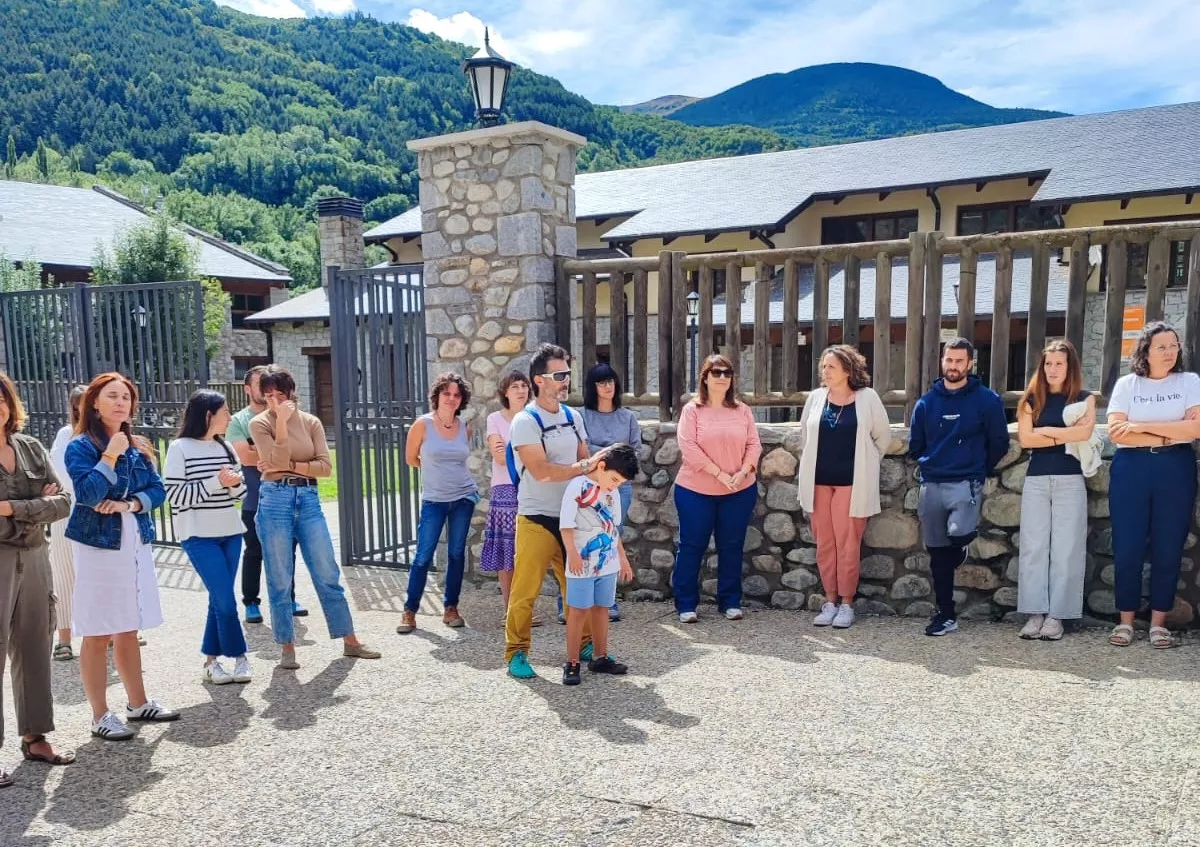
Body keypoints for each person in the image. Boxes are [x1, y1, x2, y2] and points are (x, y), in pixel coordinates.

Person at [65, 372, 179, 740]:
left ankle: (138, 702)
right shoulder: (80, 446)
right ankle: (100, 715)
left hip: (133, 540)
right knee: (98, 629)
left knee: (128, 626)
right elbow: (87, 492)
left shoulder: (139, 446)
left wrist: (129, 503)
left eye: (126, 397)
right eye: (112, 396)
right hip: (98, 546)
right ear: (94, 404)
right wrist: (110, 454)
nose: (120, 403)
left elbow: (157, 491)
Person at [249, 365, 380, 668]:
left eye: (279, 395)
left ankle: (350, 640)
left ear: (291, 394)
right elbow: (274, 462)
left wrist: (288, 466)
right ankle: (287, 646)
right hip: (275, 501)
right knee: (280, 577)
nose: (273, 402)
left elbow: (325, 467)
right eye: (267, 396)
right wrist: (280, 425)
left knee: (326, 571)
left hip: (308, 499)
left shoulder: (311, 422)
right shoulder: (259, 424)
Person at [505, 343, 607, 680]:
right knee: (525, 591)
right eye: (559, 375)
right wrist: (583, 466)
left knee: (579, 588)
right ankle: (516, 653)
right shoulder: (524, 421)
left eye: (567, 373)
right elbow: (542, 471)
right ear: (539, 380)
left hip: (572, 518)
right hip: (536, 517)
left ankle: (587, 645)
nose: (566, 380)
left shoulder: (573, 417)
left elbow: (587, 464)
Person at [0, 372, 75, 786]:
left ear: (11, 405)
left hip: (35, 554)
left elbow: (62, 501)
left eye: (2, 400)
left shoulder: (29, 446)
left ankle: (35, 736)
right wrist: (35, 503)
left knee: (34, 642)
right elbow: (45, 501)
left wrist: (11, 507)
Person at [1106, 321, 1200, 649]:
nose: (1170, 352)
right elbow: (1116, 430)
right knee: (1128, 545)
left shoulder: (1189, 382)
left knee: (1169, 544)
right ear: (1145, 351)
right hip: (1132, 467)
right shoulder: (1127, 384)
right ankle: (1126, 622)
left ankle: (1159, 624)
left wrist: (1142, 427)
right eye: (1161, 346)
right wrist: (1170, 429)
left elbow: (1195, 429)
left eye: (1174, 345)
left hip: (1175, 466)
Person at [909, 339, 1009, 637]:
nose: (953, 366)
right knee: (937, 553)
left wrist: (977, 471)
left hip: (966, 482)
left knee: (960, 535)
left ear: (970, 364)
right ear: (943, 362)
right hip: (932, 482)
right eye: (949, 361)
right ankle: (946, 614)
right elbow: (916, 445)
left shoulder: (986, 400)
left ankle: (962, 547)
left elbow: (999, 442)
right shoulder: (926, 403)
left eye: (959, 361)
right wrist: (931, 464)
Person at [795, 345, 892, 629]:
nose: (825, 372)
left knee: (848, 544)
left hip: (852, 485)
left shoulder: (867, 398)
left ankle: (847, 603)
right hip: (819, 484)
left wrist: (866, 463)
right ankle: (829, 601)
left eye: (831, 367)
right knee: (825, 544)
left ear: (848, 370)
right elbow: (805, 435)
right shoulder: (815, 398)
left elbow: (881, 439)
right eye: (823, 367)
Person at [164, 391, 252, 684]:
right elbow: (176, 496)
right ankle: (240, 656)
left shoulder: (226, 447)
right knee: (226, 600)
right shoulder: (180, 448)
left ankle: (211, 662)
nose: (230, 416)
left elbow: (241, 494)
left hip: (231, 532)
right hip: (198, 535)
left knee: (219, 598)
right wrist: (217, 481)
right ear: (207, 415)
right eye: (225, 411)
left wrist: (234, 484)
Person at [672, 354, 762, 623]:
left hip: (739, 490)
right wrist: (720, 474)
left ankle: (730, 601)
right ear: (705, 377)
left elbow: (754, 445)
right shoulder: (692, 410)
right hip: (695, 491)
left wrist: (743, 472)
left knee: (732, 546)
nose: (722, 377)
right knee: (692, 545)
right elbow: (688, 447)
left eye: (727, 373)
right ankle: (686, 604)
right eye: (716, 372)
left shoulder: (742, 410)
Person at [1016, 340, 1095, 641]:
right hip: (1037, 480)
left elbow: (1085, 432)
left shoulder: (1084, 399)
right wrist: (1063, 435)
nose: (1052, 369)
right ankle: (1035, 613)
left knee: (1066, 549)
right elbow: (1026, 440)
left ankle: (1056, 616)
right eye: (1048, 363)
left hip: (1070, 480)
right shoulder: (1031, 400)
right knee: (1034, 547)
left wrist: (1045, 432)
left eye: (1059, 363)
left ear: (1069, 366)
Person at [396, 373, 479, 634]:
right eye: (447, 394)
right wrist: (434, 470)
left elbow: (461, 461)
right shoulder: (422, 425)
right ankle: (409, 611)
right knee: (423, 556)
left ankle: (451, 608)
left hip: (463, 498)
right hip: (434, 500)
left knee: (456, 554)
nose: (452, 399)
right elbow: (411, 459)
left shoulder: (465, 427)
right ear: (437, 396)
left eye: (457, 395)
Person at [226, 365, 302, 625]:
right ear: (249, 389)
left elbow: (302, 452)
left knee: (288, 552)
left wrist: (264, 449)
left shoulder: (293, 417)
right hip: (255, 499)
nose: (268, 390)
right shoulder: (239, 421)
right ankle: (251, 602)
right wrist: (279, 452)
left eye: (271, 386)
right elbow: (245, 456)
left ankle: (289, 598)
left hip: (288, 497)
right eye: (262, 385)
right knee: (255, 551)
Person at [559, 443, 639, 685]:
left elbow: (613, 529)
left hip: (607, 563)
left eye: (619, 483)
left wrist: (622, 559)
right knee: (578, 610)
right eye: (613, 479)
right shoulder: (577, 486)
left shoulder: (611, 492)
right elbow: (566, 524)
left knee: (602, 608)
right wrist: (571, 553)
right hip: (581, 562)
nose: (615, 486)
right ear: (601, 466)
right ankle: (572, 661)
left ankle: (600, 656)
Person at [577, 362, 641, 623]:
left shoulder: (628, 417)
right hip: (588, 486)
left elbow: (635, 451)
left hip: (619, 488)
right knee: (582, 539)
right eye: (602, 382)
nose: (608, 386)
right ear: (593, 387)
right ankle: (571, 602)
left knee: (613, 538)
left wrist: (601, 450)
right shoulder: (581, 416)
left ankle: (608, 600)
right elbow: (580, 449)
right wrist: (613, 450)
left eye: (611, 381)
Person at [481, 371, 531, 611]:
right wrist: (528, 451)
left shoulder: (534, 417)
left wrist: (514, 449)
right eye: (515, 386)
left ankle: (525, 607)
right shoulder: (495, 419)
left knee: (528, 552)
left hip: (532, 489)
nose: (521, 390)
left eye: (524, 385)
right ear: (505, 392)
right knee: (507, 551)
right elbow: (500, 457)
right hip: (505, 490)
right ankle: (510, 608)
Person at [48, 385, 86, 661]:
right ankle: (64, 637)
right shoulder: (66, 434)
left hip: (101, 512)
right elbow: (62, 474)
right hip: (68, 511)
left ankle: (108, 630)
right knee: (64, 573)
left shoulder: (111, 435)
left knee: (101, 574)